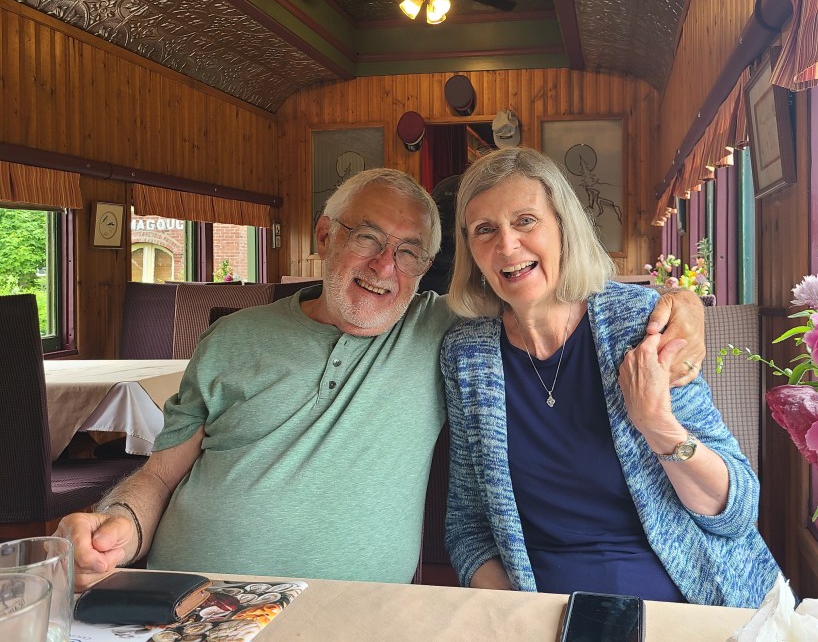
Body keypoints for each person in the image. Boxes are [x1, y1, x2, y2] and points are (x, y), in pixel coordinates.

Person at [57, 167, 707, 590]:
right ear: (324, 236)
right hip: (185, 597)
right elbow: (159, 477)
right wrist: (116, 527)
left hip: (345, 616)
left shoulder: (447, 332)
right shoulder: (230, 339)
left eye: (409, 253)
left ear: (427, 269)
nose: (383, 267)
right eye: (367, 238)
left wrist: (679, 304)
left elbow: (553, 293)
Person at [442, 148, 779, 608]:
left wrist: (658, 425)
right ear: (470, 250)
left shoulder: (639, 323)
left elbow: (736, 512)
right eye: (485, 229)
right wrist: (517, 613)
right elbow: (467, 526)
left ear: (563, 226)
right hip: (543, 610)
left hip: (682, 598)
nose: (506, 245)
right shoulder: (467, 355)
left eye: (526, 221)